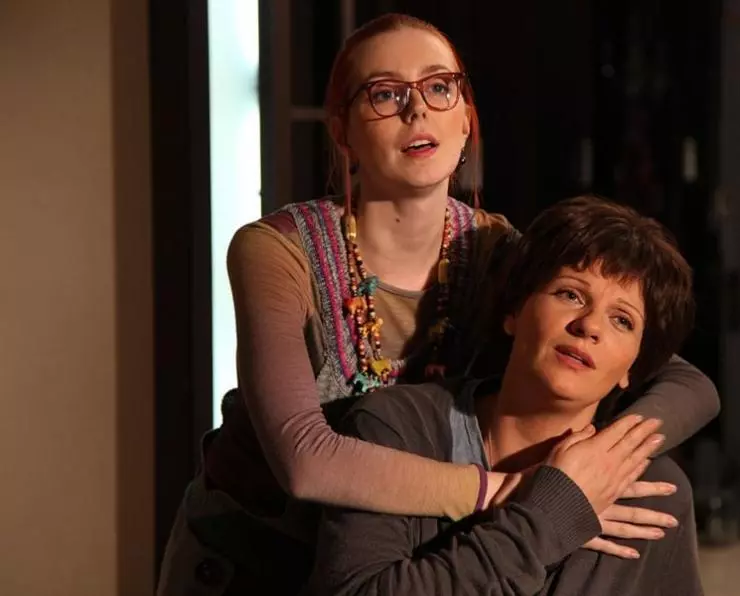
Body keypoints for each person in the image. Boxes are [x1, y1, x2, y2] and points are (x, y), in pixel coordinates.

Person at [156, 14, 717, 595]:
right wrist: (536, 495)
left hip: (401, 545)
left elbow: (688, 384)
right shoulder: (279, 250)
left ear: (466, 118)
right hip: (253, 554)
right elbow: (305, 460)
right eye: (385, 94)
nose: (417, 111)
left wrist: (603, 459)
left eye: (439, 87)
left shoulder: (493, 247)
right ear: (343, 131)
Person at [311, 196, 704, 596]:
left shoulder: (655, 493)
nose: (589, 326)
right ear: (514, 312)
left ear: (633, 368)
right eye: (570, 294)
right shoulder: (397, 428)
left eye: (622, 320)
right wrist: (548, 517)